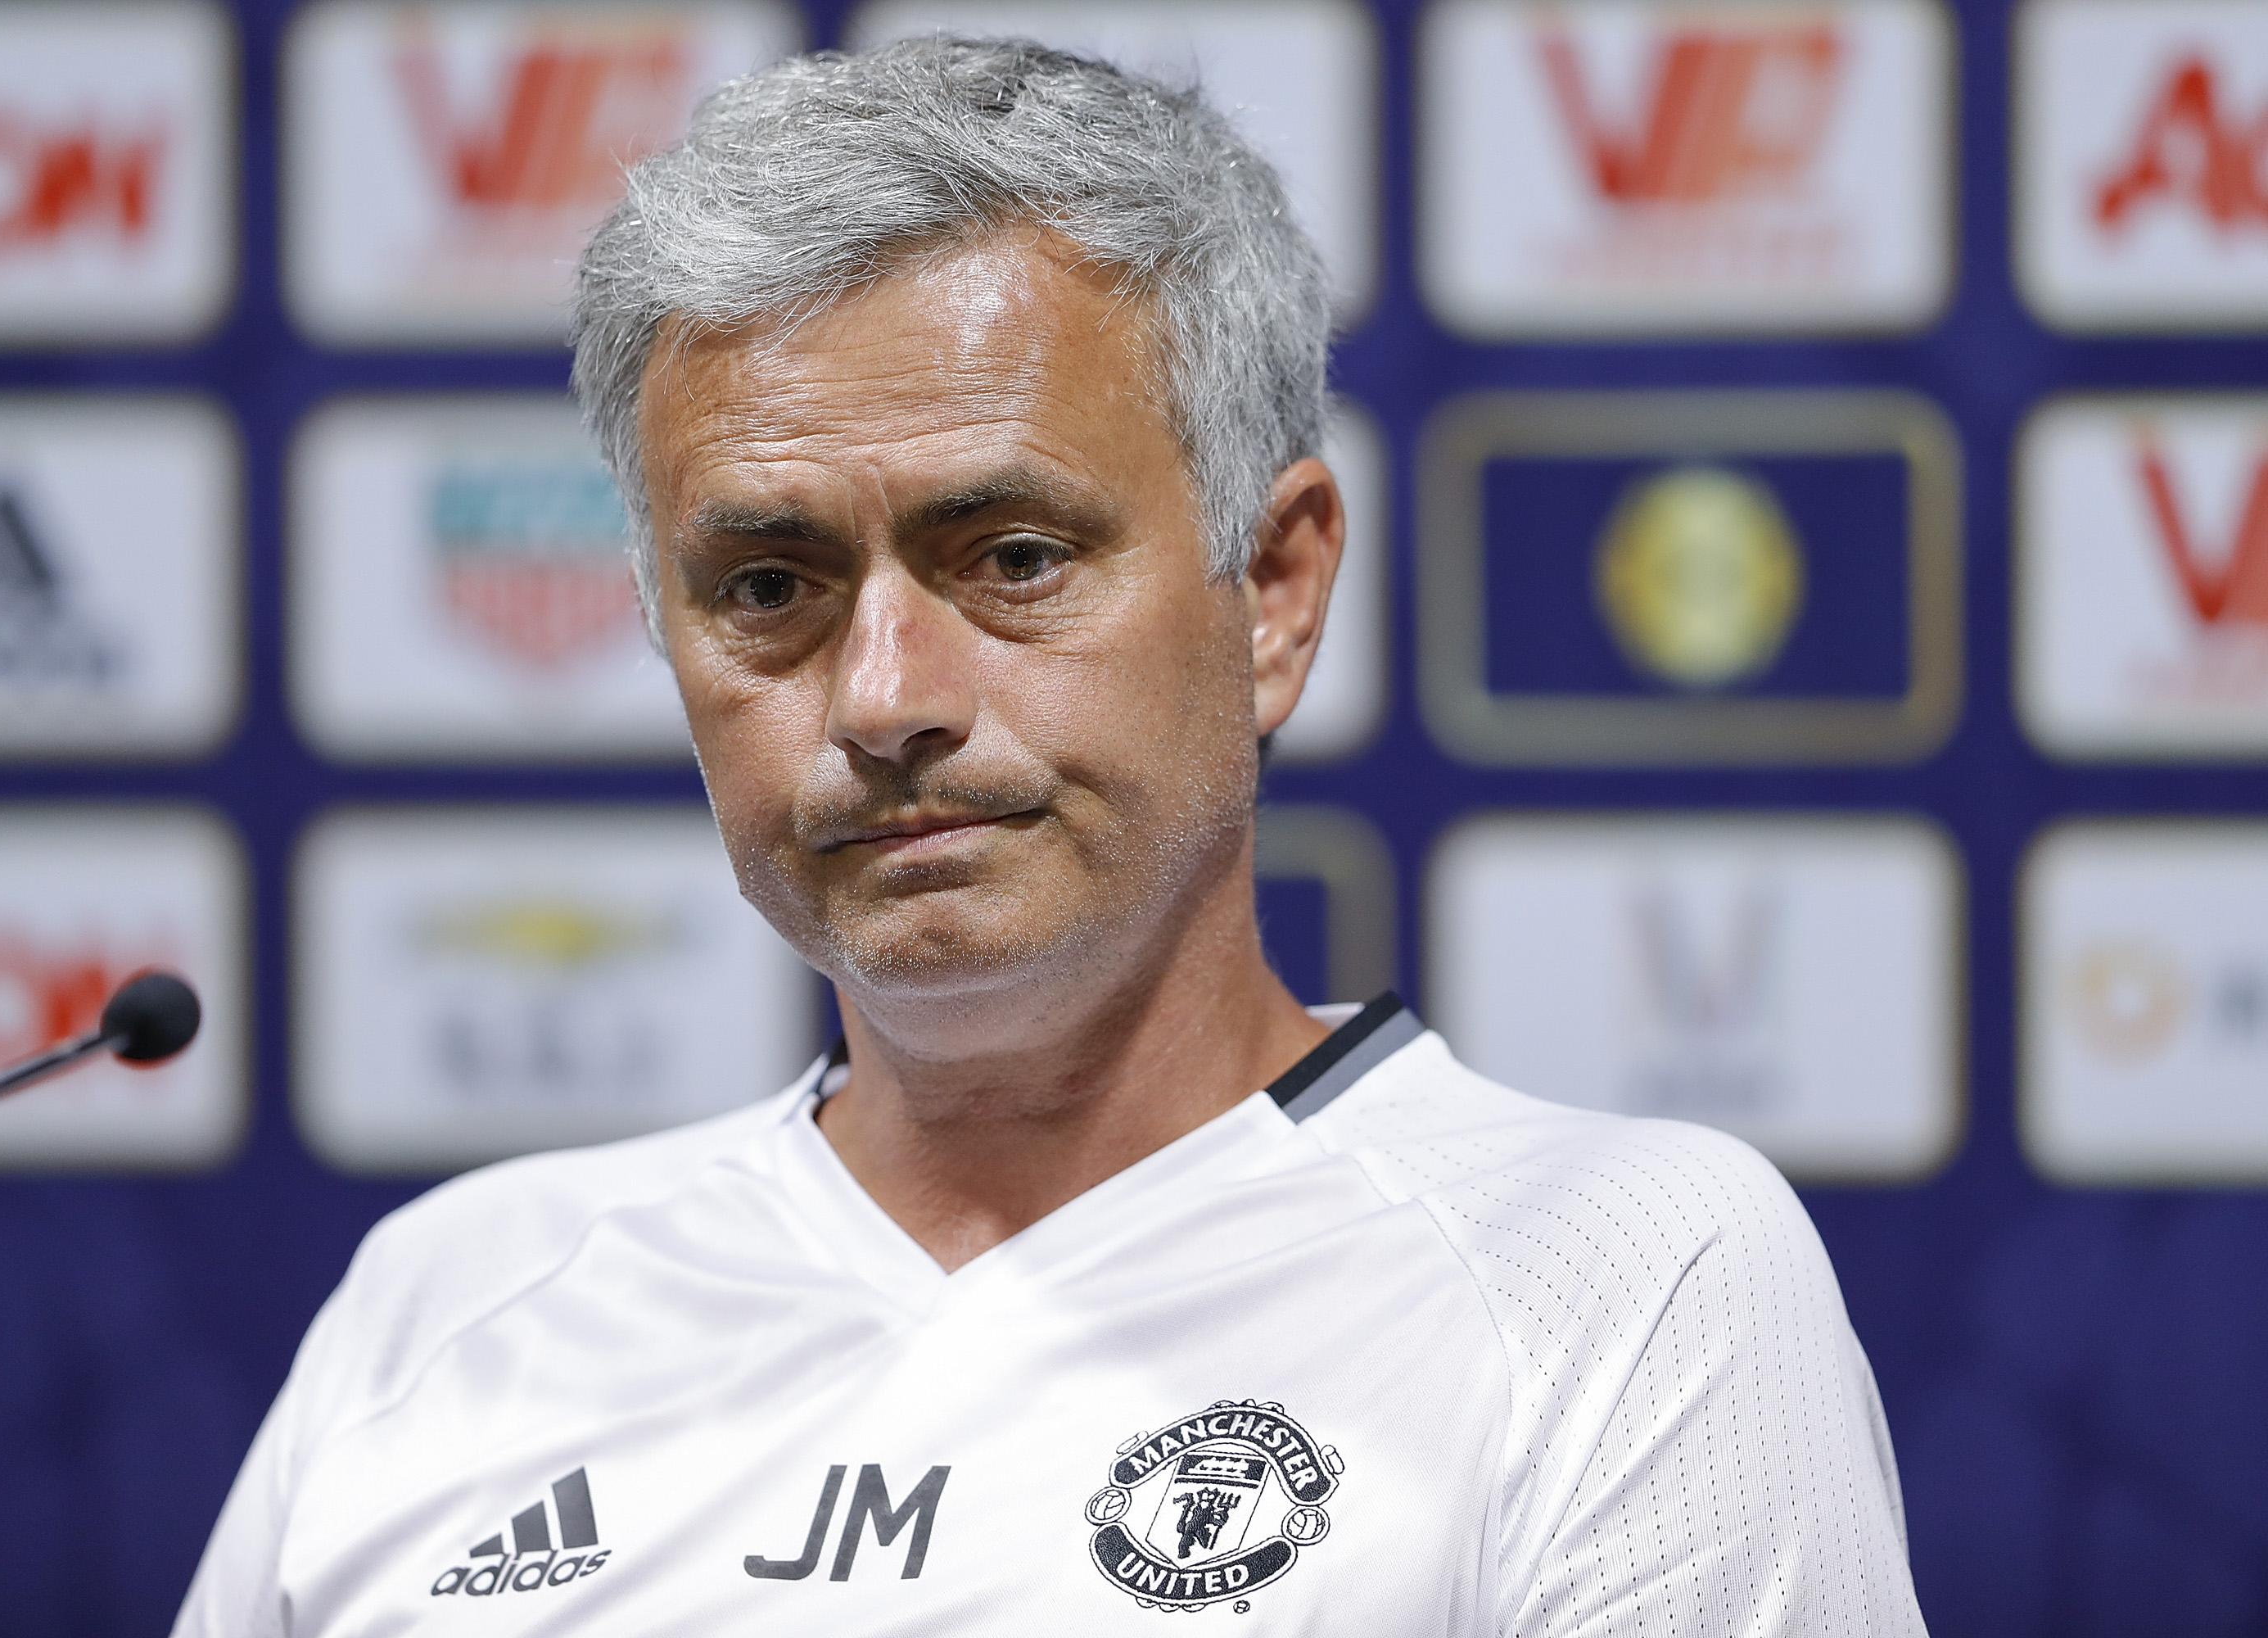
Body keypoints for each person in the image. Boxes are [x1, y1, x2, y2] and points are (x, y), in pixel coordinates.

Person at [175, 38, 1924, 1636]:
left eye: (1011, 557)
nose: (883, 697)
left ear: (1276, 590)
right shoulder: (449, 1307)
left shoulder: (1618, 1280)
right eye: (768, 587)